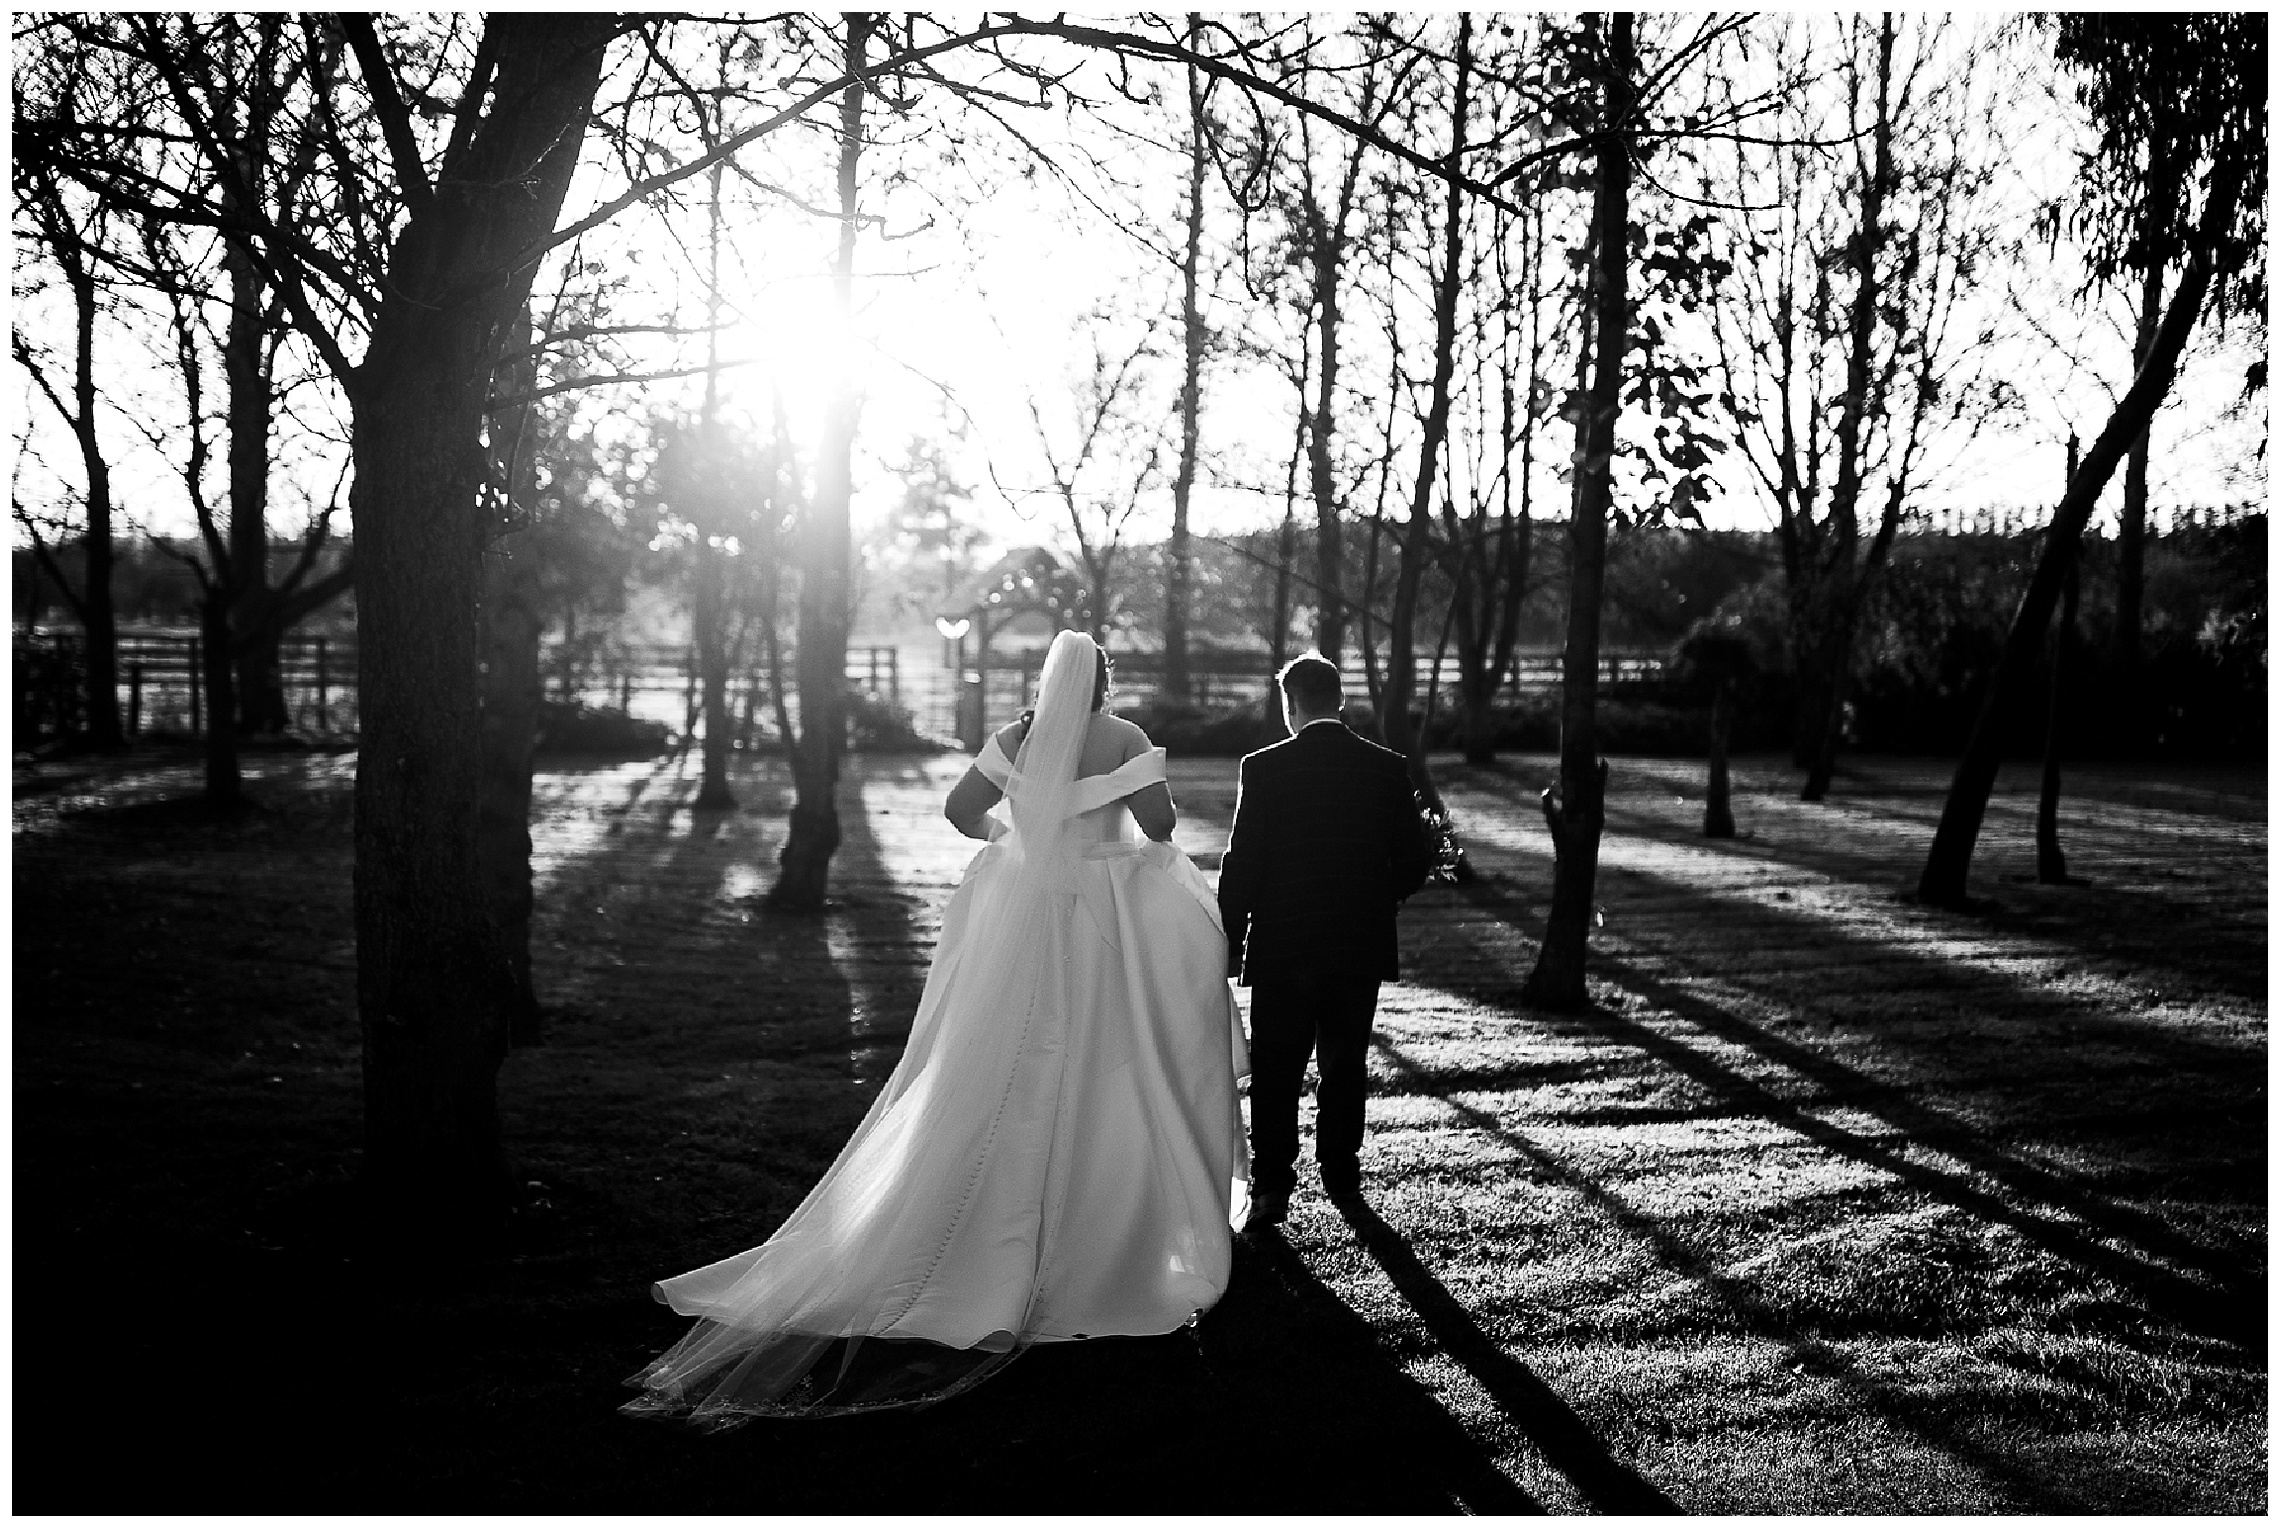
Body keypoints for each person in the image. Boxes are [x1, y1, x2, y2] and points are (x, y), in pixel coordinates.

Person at [624, 630, 1248, 1426]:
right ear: (1102, 683)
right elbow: (1159, 830)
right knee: (1104, 1060)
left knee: (1002, 1061)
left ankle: (992, 1216)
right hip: (1101, 933)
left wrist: (1019, 846)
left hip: (1024, 925)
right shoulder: (1124, 737)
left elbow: (961, 811)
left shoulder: (1017, 736)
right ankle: (1100, 1216)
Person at [1218, 654, 1432, 1232]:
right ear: (1339, 700)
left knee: (1277, 1068)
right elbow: (1416, 857)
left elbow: (1244, 863)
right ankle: (1341, 1171)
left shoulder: (1263, 768)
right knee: (1344, 1064)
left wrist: (1228, 939)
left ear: (1291, 706)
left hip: (1284, 944)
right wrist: (1374, 897)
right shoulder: (1386, 768)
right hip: (1355, 943)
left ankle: (1272, 1187)